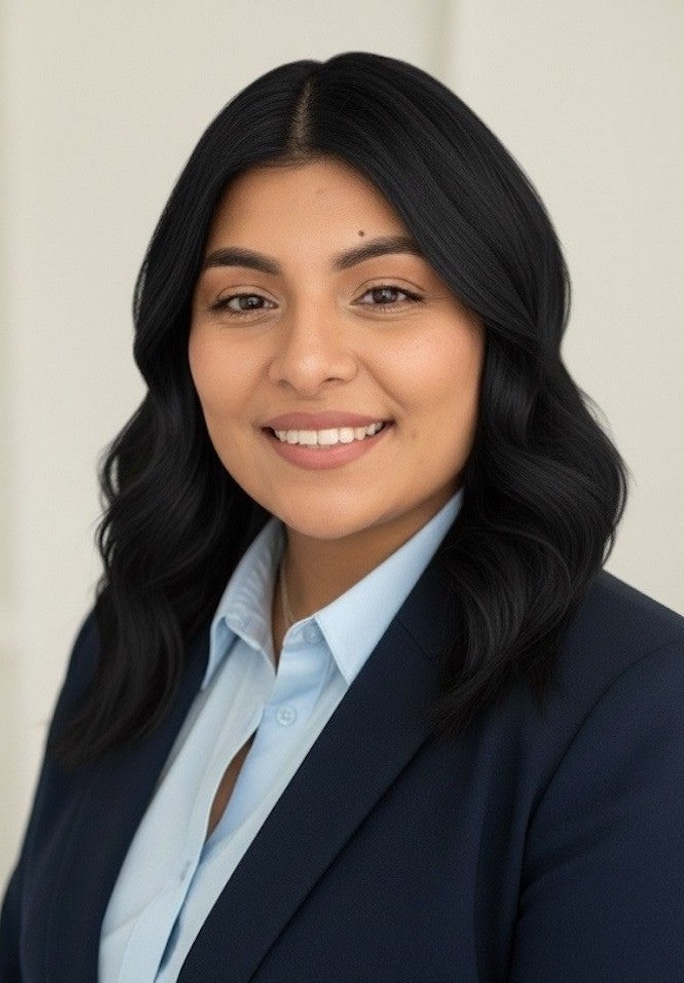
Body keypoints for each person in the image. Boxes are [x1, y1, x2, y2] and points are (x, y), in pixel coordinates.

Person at [1, 51, 683, 982]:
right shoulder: (130, 640)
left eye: (385, 294)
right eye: (246, 299)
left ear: (496, 328)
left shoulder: (636, 712)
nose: (307, 360)